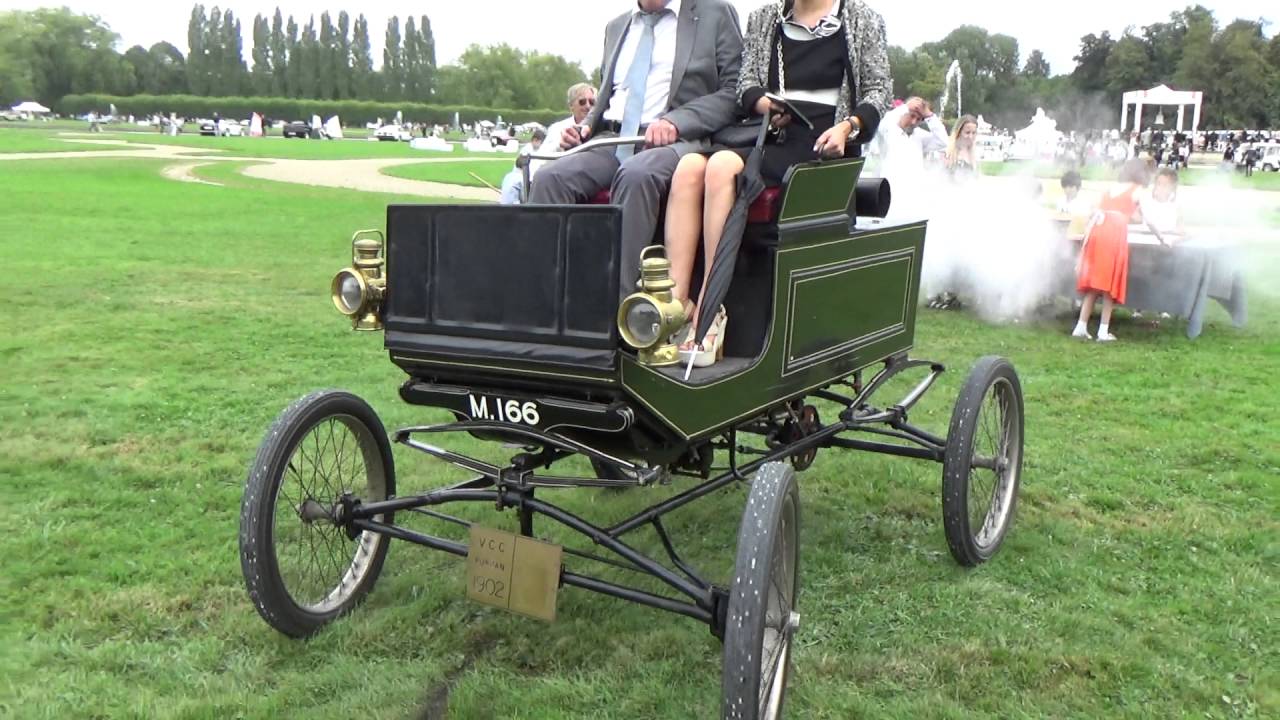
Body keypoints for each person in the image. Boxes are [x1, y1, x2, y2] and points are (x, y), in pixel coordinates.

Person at [660, 0, 890, 367]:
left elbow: (877, 92)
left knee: (720, 166)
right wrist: (766, 104)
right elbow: (746, 84)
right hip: (769, 135)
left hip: (820, 142)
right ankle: (671, 307)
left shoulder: (862, 19)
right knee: (688, 167)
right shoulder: (765, 18)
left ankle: (708, 312)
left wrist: (848, 128)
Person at [528, 0, 745, 297]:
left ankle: (622, 314)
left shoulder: (715, 13)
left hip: (676, 141)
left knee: (636, 175)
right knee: (549, 178)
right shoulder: (617, 26)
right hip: (611, 138)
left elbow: (734, 91)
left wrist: (678, 121)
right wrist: (585, 127)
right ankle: (544, 302)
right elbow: (610, 94)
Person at [1072, 159, 1151, 342]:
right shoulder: (1137, 190)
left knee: (1094, 283)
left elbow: (1099, 209)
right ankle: (1103, 331)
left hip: (1098, 232)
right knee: (1109, 285)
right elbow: (1142, 217)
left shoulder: (1110, 188)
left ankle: (1081, 326)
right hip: (1113, 235)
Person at [532, 83, 598, 179]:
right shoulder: (557, 129)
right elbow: (537, 163)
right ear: (571, 106)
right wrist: (560, 146)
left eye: (592, 102)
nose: (588, 106)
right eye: (582, 102)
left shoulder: (601, 129)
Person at [499, 129, 548, 205]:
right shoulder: (526, 150)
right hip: (523, 182)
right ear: (535, 140)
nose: (541, 145)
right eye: (541, 142)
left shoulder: (541, 150)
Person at [1140, 167, 1185, 243]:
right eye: (1158, 184)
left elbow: (1180, 226)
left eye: (1165, 185)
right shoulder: (1146, 201)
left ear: (1172, 188)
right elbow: (1148, 222)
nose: (1160, 187)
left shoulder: (1176, 204)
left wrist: (1180, 231)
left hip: (1168, 243)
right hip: (1148, 242)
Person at [945, 114, 978, 179]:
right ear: (959, 132)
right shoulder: (948, 152)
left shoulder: (975, 153)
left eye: (974, 133)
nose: (970, 137)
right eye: (967, 132)